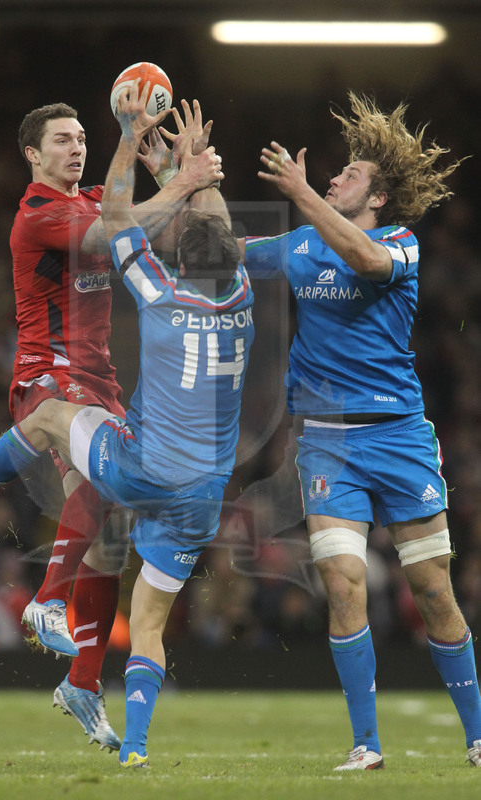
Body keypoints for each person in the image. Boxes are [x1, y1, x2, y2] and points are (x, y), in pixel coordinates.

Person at [0, 78, 252, 768]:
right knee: (86, 482)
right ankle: (33, 595)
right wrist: (170, 172)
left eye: (82, 138)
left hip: (98, 382)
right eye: (62, 140)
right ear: (32, 155)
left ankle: (82, 681)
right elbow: (115, 231)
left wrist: (170, 165)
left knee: (109, 534)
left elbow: (145, 218)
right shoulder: (37, 212)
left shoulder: (95, 195)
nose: (76, 147)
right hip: (46, 377)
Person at [240, 91, 481, 770]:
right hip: (327, 442)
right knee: (342, 580)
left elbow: (364, 262)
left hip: (398, 436)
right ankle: (365, 744)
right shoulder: (298, 245)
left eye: (347, 175)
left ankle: (477, 737)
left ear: (377, 198)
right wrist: (183, 183)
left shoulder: (398, 244)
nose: (332, 178)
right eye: (330, 174)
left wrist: (297, 193)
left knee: (432, 590)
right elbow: (222, 253)